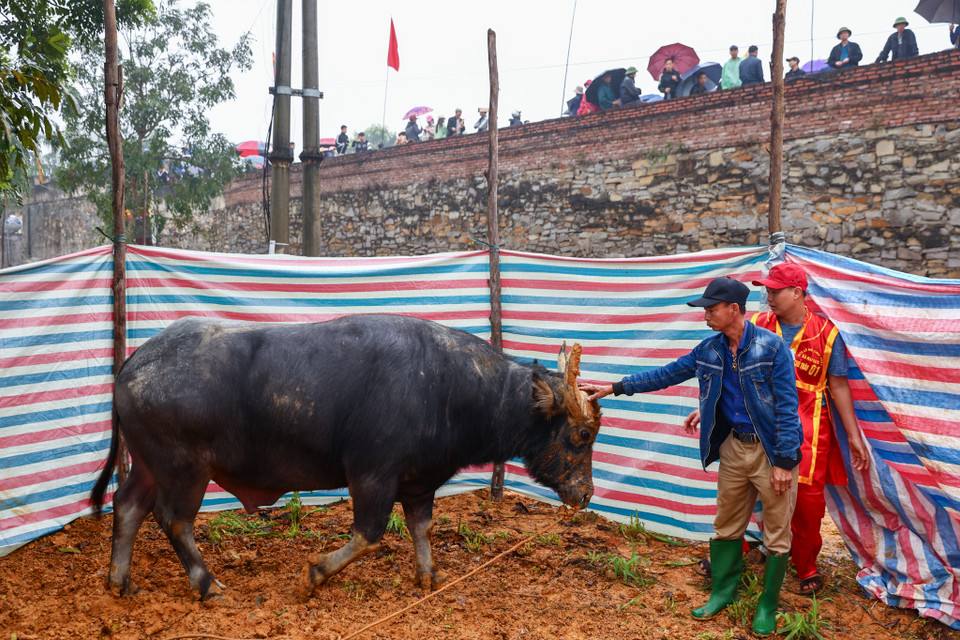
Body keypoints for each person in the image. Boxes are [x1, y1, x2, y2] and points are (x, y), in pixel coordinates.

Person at [579, 277, 802, 637]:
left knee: (777, 533)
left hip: (770, 451)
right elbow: (666, 374)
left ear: (733, 309)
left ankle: (767, 606)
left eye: (711, 310)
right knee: (726, 524)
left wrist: (785, 462)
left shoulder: (772, 348)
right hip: (732, 448)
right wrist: (614, 387)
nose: (705, 316)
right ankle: (722, 591)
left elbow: (788, 408)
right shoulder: (709, 350)